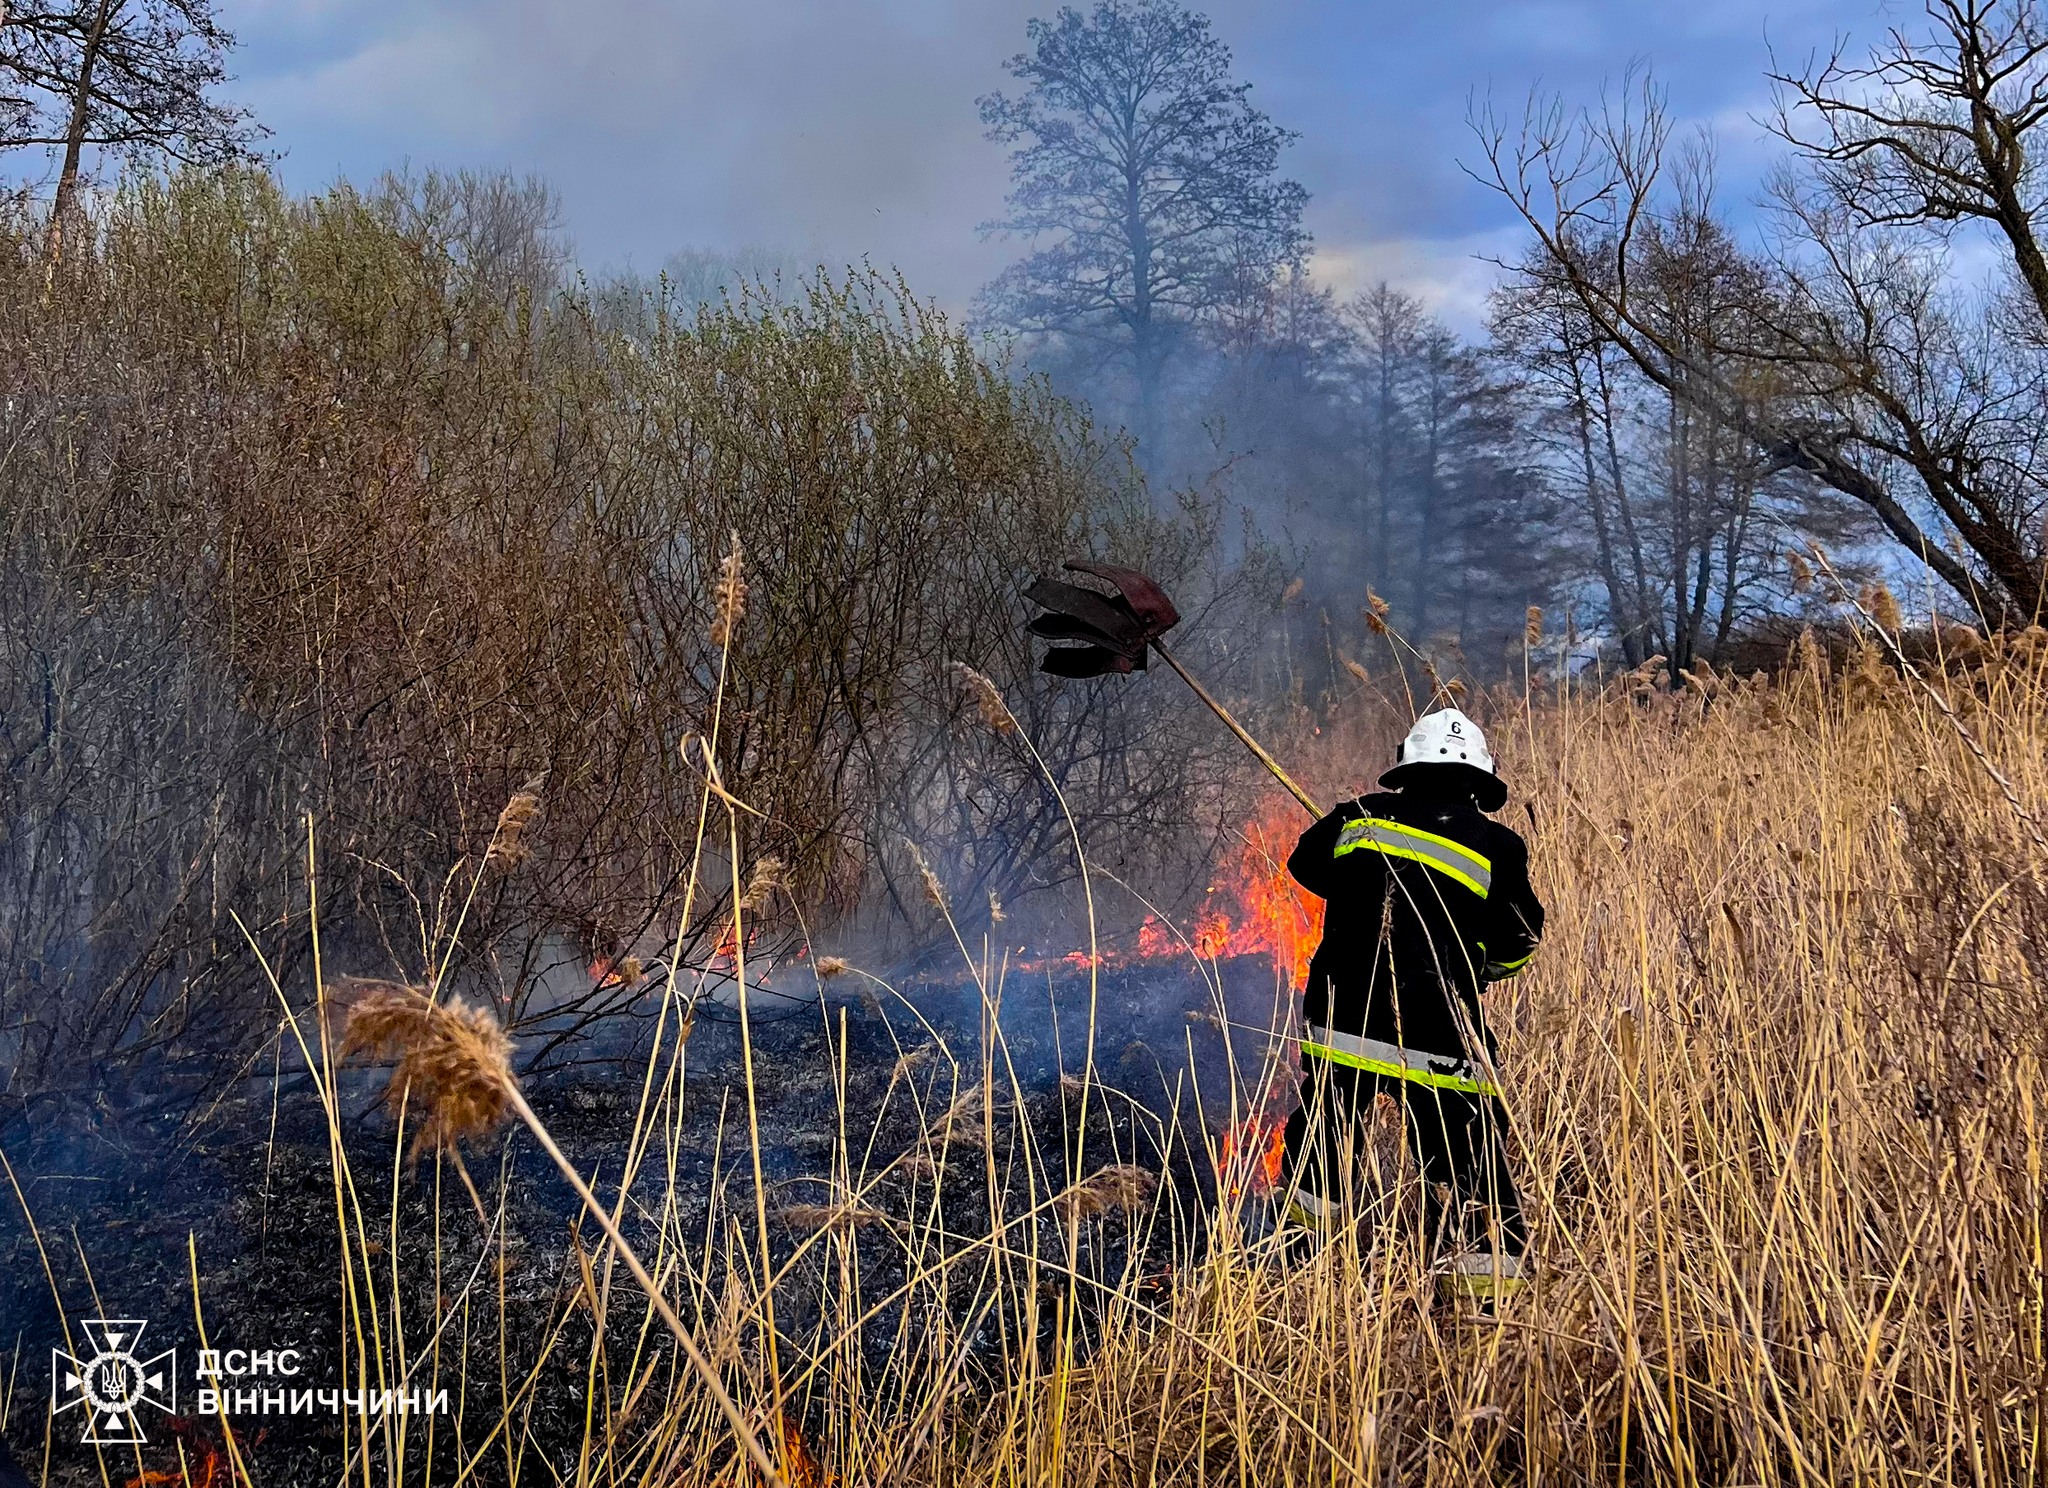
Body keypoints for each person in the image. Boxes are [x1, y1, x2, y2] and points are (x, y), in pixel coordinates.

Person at [1278, 706, 1543, 1300]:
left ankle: (1299, 1271)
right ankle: (1487, 1296)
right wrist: (1470, 967)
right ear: (1479, 780)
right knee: (1468, 1154)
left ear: (1406, 768)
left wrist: (1361, 880)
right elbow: (1520, 939)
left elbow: (1304, 864)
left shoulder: (1358, 817)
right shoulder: (1498, 846)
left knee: (1323, 1132)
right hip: (1438, 1026)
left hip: (1342, 1015)